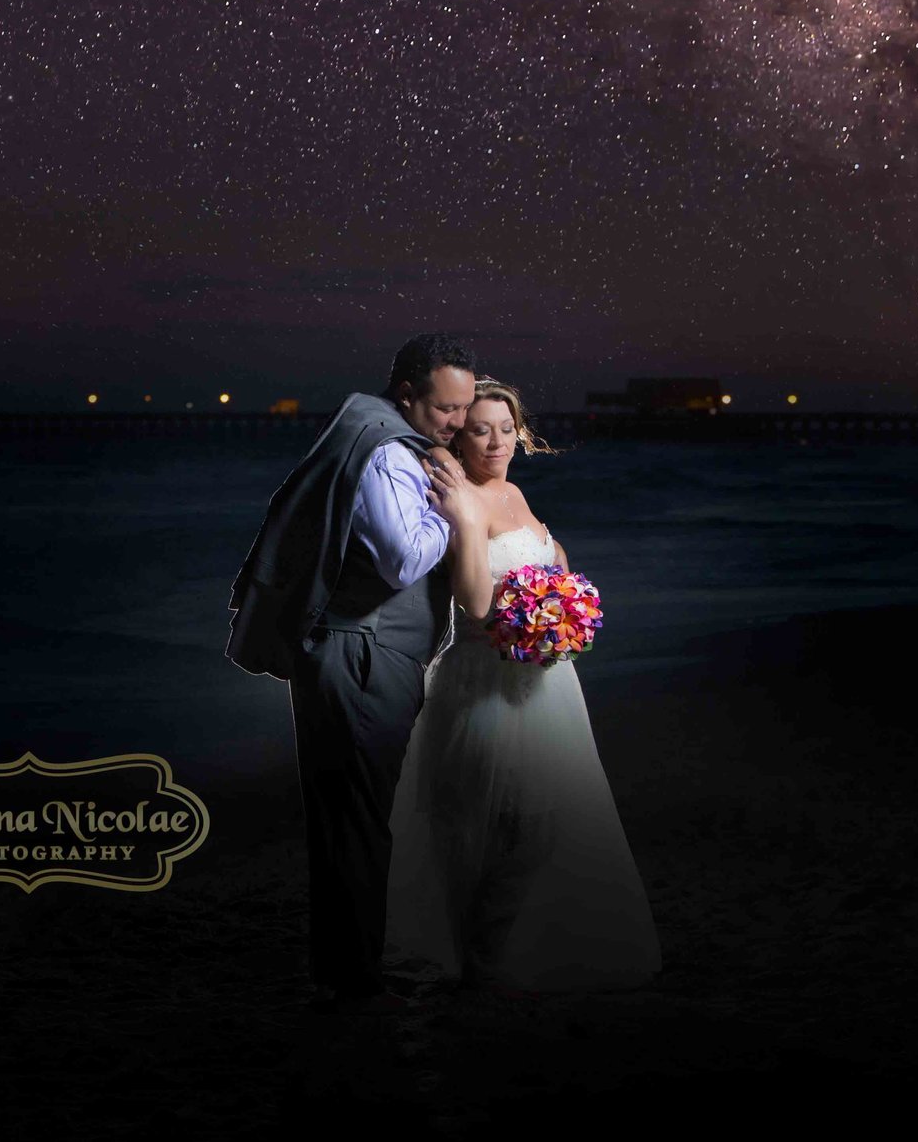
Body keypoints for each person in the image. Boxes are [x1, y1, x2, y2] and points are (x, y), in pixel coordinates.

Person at [224, 332, 478, 1014]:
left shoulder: (387, 437)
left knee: (352, 816)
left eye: (465, 408)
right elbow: (401, 559)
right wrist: (458, 513)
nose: (458, 422)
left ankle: (346, 968)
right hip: (361, 654)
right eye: (447, 409)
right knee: (359, 816)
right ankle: (354, 978)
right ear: (407, 396)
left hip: (359, 650)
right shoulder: (388, 454)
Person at [383, 376, 661, 993]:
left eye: (506, 429)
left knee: (547, 820)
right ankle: (480, 962)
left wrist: (563, 595)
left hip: (545, 683)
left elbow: (545, 559)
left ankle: (504, 954)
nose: (496, 441)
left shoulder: (512, 491)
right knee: (490, 824)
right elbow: (478, 604)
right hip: (483, 682)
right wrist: (460, 515)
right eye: (480, 429)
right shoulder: (463, 497)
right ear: (460, 434)